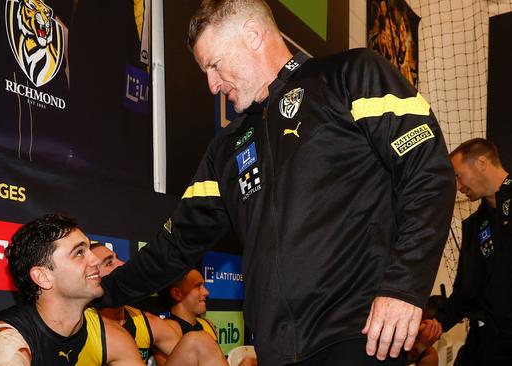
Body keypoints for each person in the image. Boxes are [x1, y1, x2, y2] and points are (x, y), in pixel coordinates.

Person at [97, 0, 456, 365]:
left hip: (359, 337)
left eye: (214, 65)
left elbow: (428, 174)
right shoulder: (227, 146)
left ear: (252, 35)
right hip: (276, 353)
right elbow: (175, 245)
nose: (212, 84)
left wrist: (404, 287)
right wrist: (99, 292)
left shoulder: (351, 74)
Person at [0, 214, 144, 366]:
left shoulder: (105, 333)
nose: (95, 260)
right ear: (43, 277)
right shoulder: (6, 338)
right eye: (79, 253)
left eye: (88, 250)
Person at [431, 138, 512, 365]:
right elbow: (467, 292)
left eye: (458, 175)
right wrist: (436, 323)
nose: (457, 186)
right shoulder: (474, 225)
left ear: (482, 163)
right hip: (485, 345)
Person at [90, 243, 227, 366]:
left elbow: (192, 352)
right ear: (91, 276)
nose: (122, 264)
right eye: (109, 263)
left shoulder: (145, 322)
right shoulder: (82, 323)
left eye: (118, 258)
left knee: (199, 340)